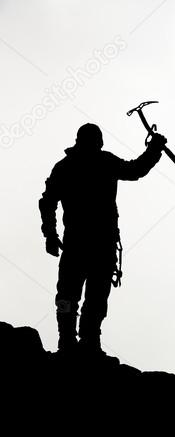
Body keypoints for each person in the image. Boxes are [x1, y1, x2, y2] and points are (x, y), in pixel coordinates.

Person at [39, 123, 166, 354]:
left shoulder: (71, 166)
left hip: (89, 243)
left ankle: (82, 341)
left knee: (83, 296)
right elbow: (135, 170)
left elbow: (48, 202)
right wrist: (154, 149)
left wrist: (50, 234)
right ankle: (75, 341)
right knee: (78, 296)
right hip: (91, 243)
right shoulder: (96, 163)